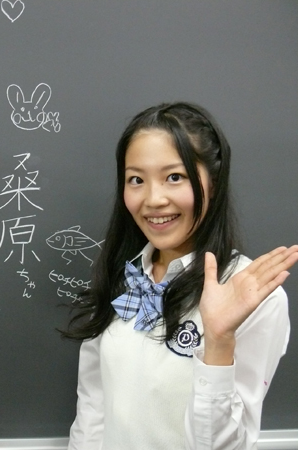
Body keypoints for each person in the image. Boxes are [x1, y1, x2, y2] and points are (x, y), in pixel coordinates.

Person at [64, 102, 298, 449]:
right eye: (136, 180)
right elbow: (93, 407)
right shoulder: (125, 275)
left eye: (174, 177)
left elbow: (223, 446)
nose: (153, 199)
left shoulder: (253, 297)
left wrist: (219, 341)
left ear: (213, 182)